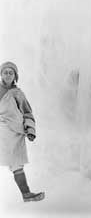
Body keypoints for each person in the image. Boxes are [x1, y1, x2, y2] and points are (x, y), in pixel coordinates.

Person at [0, 61, 45, 202]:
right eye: (5, 72)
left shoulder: (18, 93)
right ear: (1, 74)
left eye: (11, 72)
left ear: (15, 76)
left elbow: (27, 113)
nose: (8, 75)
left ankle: (26, 194)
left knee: (17, 164)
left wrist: (30, 130)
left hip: (15, 134)